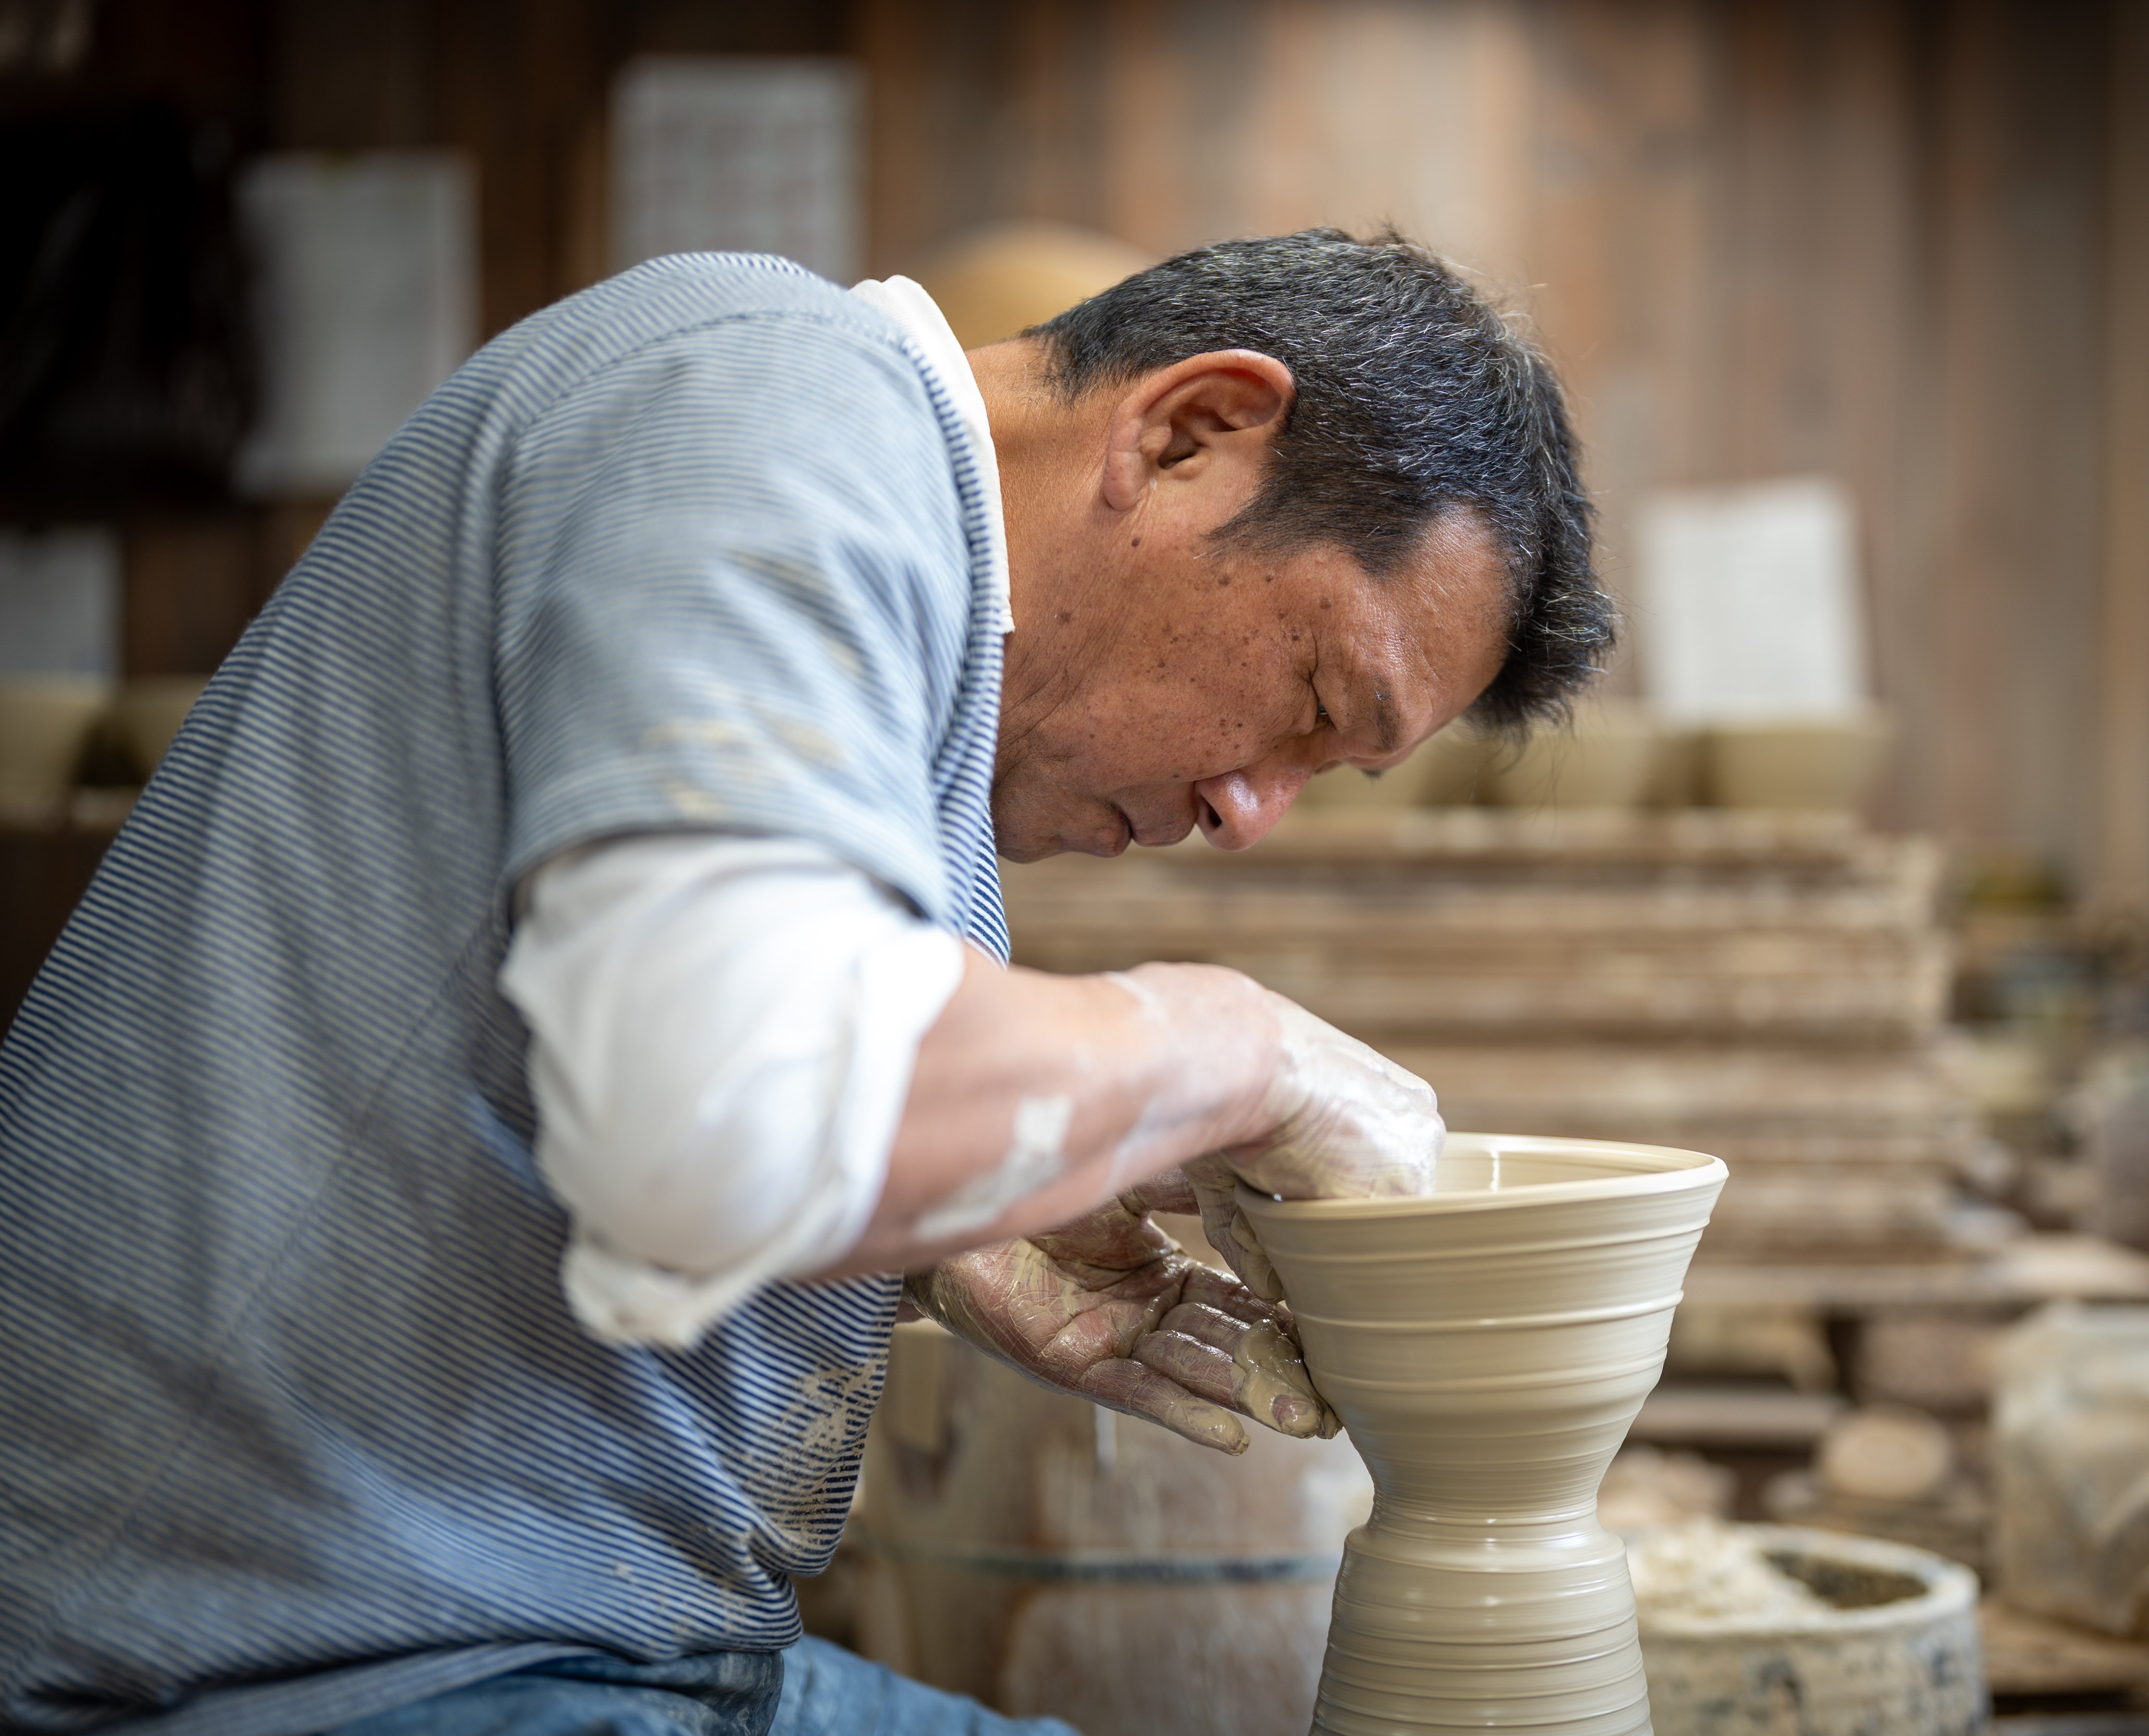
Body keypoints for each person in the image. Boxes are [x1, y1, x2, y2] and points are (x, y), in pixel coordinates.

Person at [0, 229, 1609, 1735]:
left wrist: (943, 1223)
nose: (1252, 813)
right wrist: (1237, 1051)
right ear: (1189, 433)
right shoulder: (770, 407)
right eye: (1313, 697)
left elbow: (603, 1062)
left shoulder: (910, 653)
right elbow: (733, 1105)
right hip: (281, 1671)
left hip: (536, 1645)